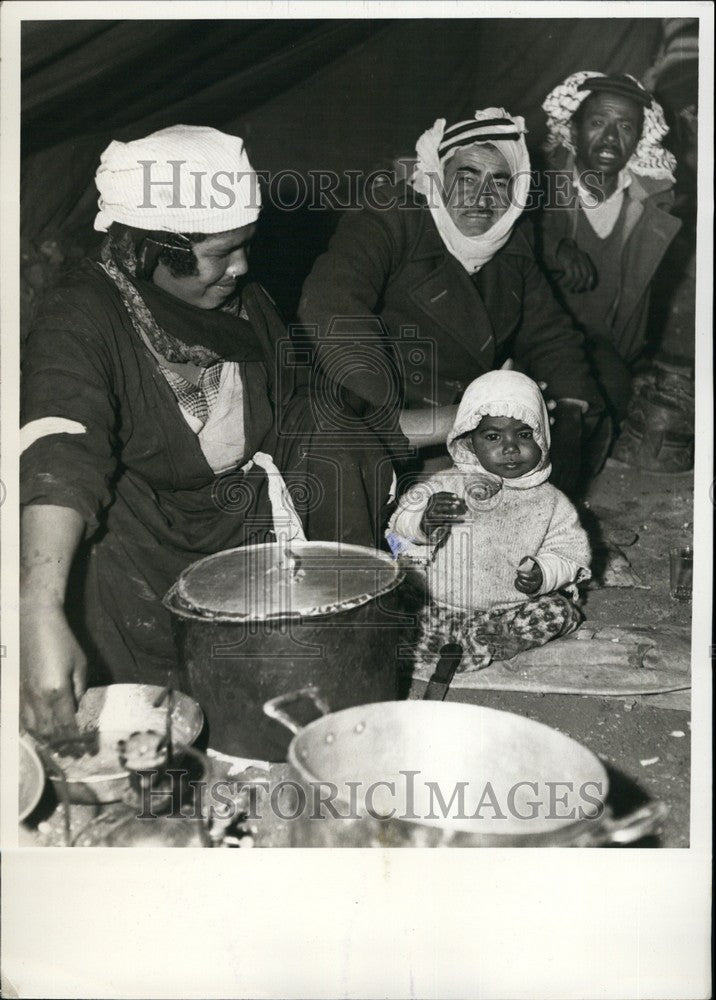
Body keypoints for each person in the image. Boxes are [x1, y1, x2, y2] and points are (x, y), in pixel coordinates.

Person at [20, 125, 394, 737]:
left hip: (236, 527)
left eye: (245, 245)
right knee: (159, 729)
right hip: (136, 550)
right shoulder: (81, 313)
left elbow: (303, 407)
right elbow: (61, 447)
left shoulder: (241, 302)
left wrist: (449, 425)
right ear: (148, 250)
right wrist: (37, 608)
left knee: (335, 433)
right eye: (221, 252)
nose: (242, 267)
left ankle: (349, 644)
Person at [298, 107, 605, 489]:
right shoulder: (389, 220)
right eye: (466, 177)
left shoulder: (513, 240)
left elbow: (550, 334)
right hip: (395, 419)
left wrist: (572, 410)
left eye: (499, 181)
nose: (482, 198)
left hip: (475, 423)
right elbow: (330, 307)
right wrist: (395, 422)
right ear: (436, 178)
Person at [386, 370, 591, 671]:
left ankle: (512, 641)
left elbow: (569, 554)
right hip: (438, 605)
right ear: (469, 441)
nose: (510, 447)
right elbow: (399, 525)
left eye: (524, 434)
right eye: (493, 436)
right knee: (391, 603)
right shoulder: (445, 484)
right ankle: (434, 642)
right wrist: (424, 522)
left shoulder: (551, 502)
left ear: (543, 439)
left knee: (560, 610)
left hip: (506, 614)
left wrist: (544, 572)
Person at [539, 72, 681, 424]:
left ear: (639, 139)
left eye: (625, 127)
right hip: (540, 341)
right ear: (573, 130)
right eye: (598, 122)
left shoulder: (651, 207)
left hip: (605, 350)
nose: (610, 138)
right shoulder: (538, 189)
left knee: (605, 404)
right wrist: (552, 247)